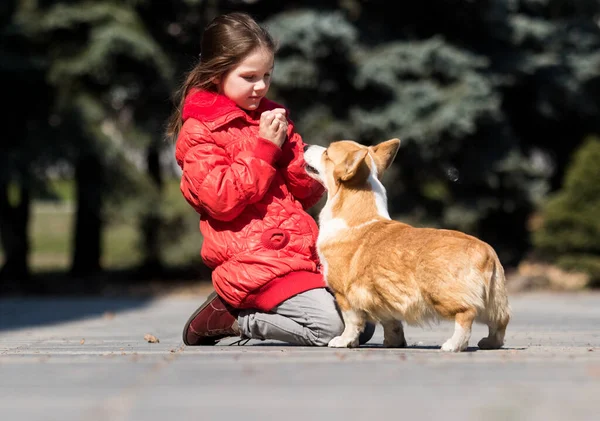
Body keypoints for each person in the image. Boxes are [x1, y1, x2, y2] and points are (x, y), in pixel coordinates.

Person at [166, 11, 374, 346]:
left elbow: (306, 194)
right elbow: (219, 201)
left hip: (299, 255)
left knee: (361, 324)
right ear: (217, 73)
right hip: (253, 263)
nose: (260, 86)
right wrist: (264, 150)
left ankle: (263, 312)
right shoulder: (200, 130)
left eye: (267, 75)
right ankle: (233, 318)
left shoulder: (271, 119)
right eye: (249, 77)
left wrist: (296, 157)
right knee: (335, 329)